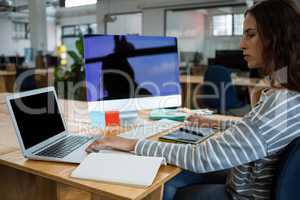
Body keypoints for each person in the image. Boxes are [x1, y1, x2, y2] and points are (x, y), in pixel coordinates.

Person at [86, 0, 300, 199]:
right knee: (170, 175)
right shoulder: (288, 93)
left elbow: (201, 157)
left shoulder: (278, 105)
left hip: (243, 194)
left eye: (250, 35)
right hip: (247, 177)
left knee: (161, 180)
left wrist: (130, 143)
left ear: (276, 38)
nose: (242, 44)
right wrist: (214, 123)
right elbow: (255, 131)